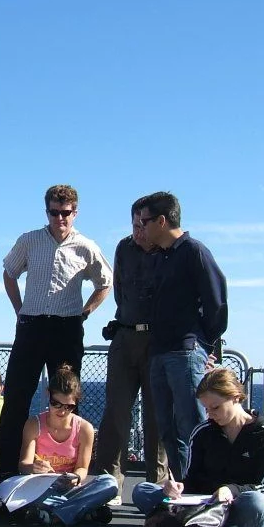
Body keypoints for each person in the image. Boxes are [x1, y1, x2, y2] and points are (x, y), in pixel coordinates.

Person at [0, 185, 112, 474]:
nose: (60, 218)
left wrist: (85, 313)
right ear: (46, 211)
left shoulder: (86, 246)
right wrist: (19, 310)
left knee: (67, 398)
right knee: (16, 398)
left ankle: (72, 470)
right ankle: (6, 470)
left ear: (75, 213)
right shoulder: (29, 241)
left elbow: (105, 283)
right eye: (54, 212)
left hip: (66, 328)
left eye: (65, 212)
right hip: (31, 326)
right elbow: (9, 273)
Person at [135, 191, 228, 481]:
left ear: (162, 221)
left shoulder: (194, 252)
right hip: (159, 352)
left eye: (145, 221)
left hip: (185, 352)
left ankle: (206, 487)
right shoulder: (161, 258)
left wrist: (205, 345)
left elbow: (217, 303)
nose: (142, 227)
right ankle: (183, 487)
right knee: (167, 429)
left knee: (193, 425)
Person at [132, 368, 264, 527]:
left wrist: (230, 490)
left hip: (237, 505)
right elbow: (193, 478)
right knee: (142, 490)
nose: (210, 414)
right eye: (207, 409)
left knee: (258, 503)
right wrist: (176, 487)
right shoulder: (203, 432)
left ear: (235, 397)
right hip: (204, 504)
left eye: (215, 407)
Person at [94, 204, 168, 504]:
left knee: (157, 416)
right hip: (125, 336)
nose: (138, 232)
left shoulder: (171, 252)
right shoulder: (124, 248)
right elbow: (120, 292)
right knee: (115, 412)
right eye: (134, 225)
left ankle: (156, 487)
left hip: (158, 340)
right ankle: (109, 485)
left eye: (143, 226)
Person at [15, 364, 118, 525]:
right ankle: (81, 511)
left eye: (69, 407)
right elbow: (23, 464)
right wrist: (34, 467)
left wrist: (76, 478)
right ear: (48, 395)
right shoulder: (34, 424)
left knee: (109, 483)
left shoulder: (84, 429)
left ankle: (56, 515)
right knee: (29, 496)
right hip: (42, 488)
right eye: (56, 404)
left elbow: (82, 468)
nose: (62, 411)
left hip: (71, 489)